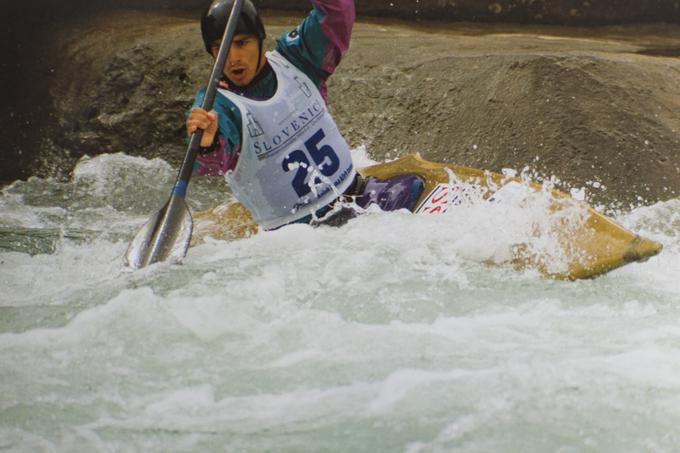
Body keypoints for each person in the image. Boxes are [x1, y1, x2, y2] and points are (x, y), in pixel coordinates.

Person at [186, 0, 424, 230]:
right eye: (220, 48)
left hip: (359, 196)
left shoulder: (297, 59)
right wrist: (208, 146)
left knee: (416, 185)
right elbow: (211, 163)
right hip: (299, 236)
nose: (232, 58)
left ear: (259, 39)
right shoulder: (216, 105)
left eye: (241, 43)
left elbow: (337, 14)